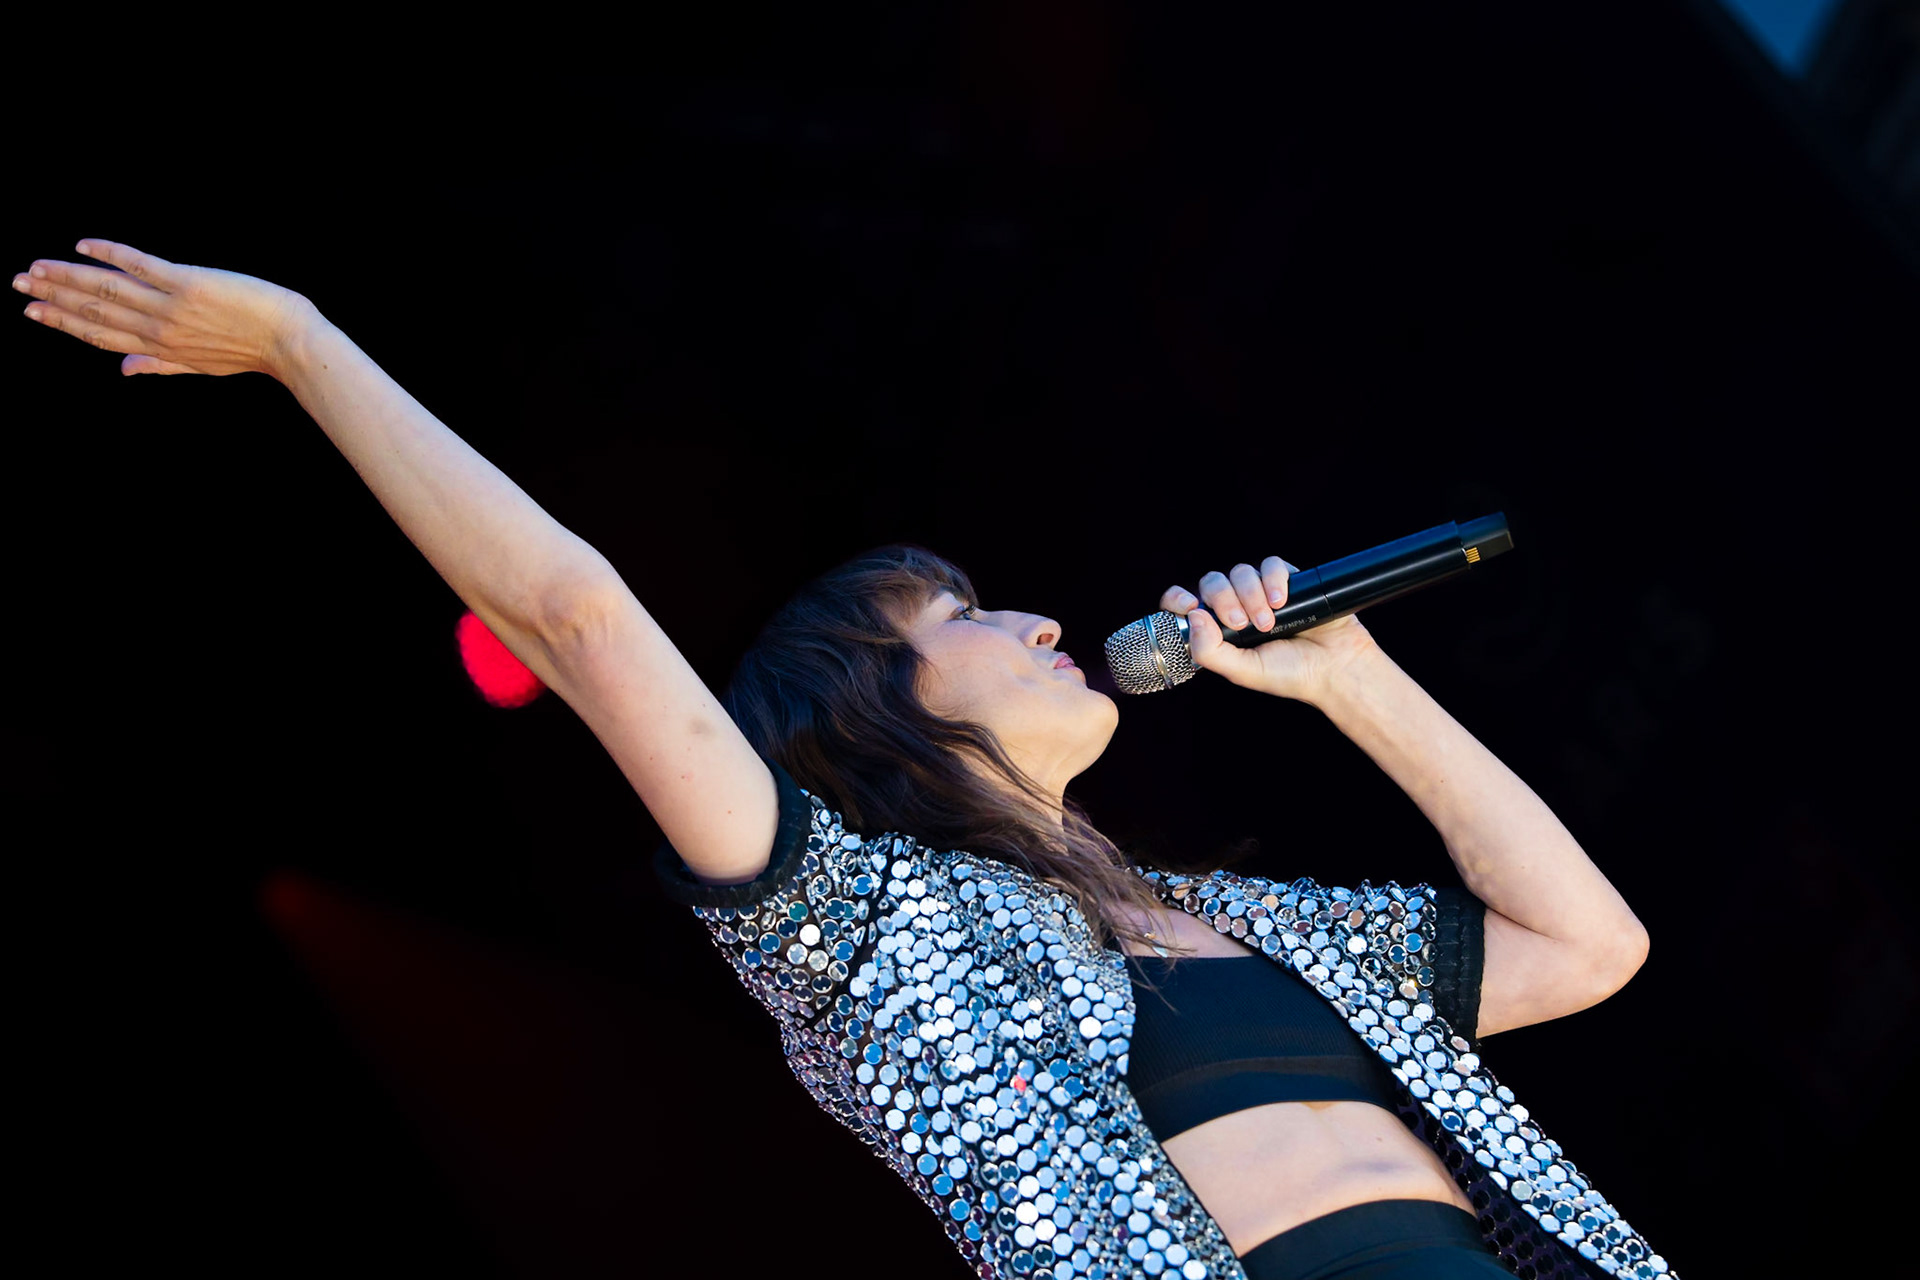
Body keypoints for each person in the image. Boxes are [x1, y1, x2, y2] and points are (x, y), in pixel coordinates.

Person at [15, 242, 1675, 1280]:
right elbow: (576, 618)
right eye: (958, 612)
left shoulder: (1251, 923)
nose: (1034, 617)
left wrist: (1357, 683)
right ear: (880, 707)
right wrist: (307, 344)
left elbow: (1587, 947)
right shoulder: (861, 929)